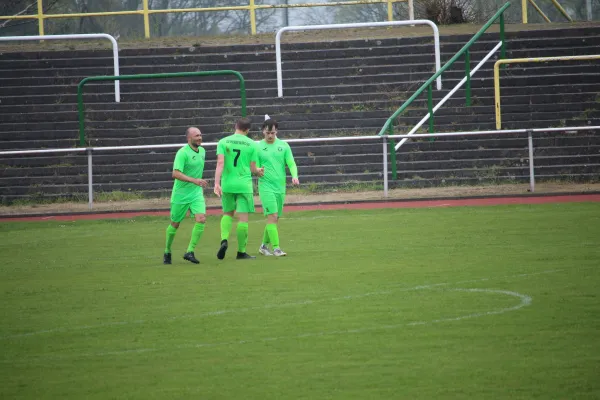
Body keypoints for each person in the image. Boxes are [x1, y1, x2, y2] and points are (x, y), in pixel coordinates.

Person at [213, 117, 264, 260]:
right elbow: (253, 168)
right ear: (248, 130)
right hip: (244, 185)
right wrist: (259, 171)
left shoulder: (223, 142)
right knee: (243, 219)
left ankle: (224, 240)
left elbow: (220, 163)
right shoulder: (252, 144)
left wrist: (217, 183)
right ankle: (241, 252)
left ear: (235, 126)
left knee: (227, 214)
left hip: (228, 184)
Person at [163, 127, 208, 265]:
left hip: (196, 193)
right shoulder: (182, 153)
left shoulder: (203, 151)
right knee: (175, 224)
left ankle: (190, 251)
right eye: (196, 136)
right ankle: (167, 251)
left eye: (200, 135)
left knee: (201, 219)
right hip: (180, 195)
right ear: (189, 138)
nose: (200, 138)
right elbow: (175, 174)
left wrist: (197, 183)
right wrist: (195, 180)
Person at [257, 115, 300, 257]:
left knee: (275, 218)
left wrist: (294, 176)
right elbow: (254, 165)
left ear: (277, 132)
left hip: (280, 187)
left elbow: (291, 162)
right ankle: (276, 248)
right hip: (265, 186)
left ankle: (263, 246)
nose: (270, 135)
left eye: (273, 133)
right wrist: (257, 170)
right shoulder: (257, 147)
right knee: (273, 216)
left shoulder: (284, 145)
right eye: (268, 132)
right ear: (263, 131)